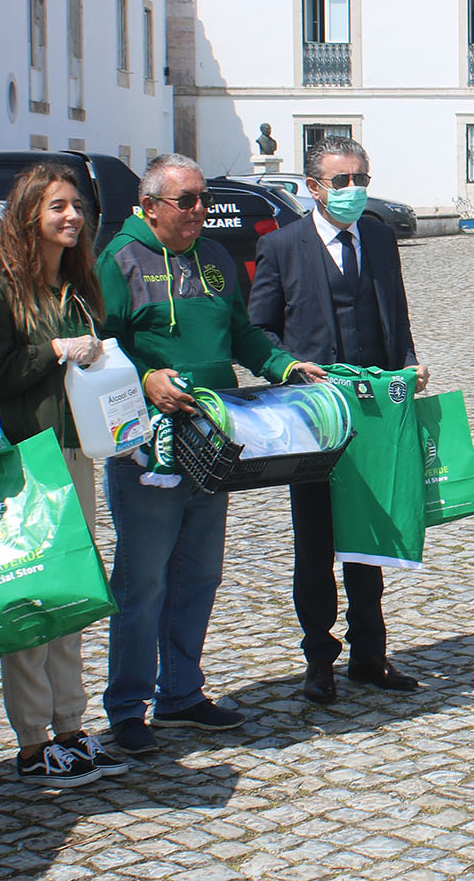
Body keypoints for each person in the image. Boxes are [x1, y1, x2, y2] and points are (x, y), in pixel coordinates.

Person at [95, 153, 324, 754]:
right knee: (142, 582)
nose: (202, 210)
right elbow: (104, 349)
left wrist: (283, 364)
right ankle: (126, 706)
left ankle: (181, 693)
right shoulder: (117, 262)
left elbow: (243, 333)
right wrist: (145, 379)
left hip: (216, 438)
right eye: (187, 201)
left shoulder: (215, 257)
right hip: (149, 448)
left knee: (199, 575)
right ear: (149, 207)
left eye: (203, 199)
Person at [0, 164, 130, 789]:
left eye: (77, 207)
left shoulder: (80, 288)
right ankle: (33, 743)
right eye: (58, 206)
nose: (71, 217)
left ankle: (71, 729)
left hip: (77, 455)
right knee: (33, 599)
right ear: (29, 214)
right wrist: (54, 352)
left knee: (73, 595)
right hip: (27, 462)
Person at [248, 136, 426, 704]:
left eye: (361, 180)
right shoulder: (283, 247)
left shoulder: (376, 235)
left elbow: (393, 312)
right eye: (342, 181)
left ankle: (370, 653)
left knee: (368, 535)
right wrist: (289, 368)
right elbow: (259, 330)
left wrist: (408, 365)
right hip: (314, 417)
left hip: (373, 411)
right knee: (316, 540)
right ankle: (319, 658)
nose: (353, 191)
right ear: (314, 187)